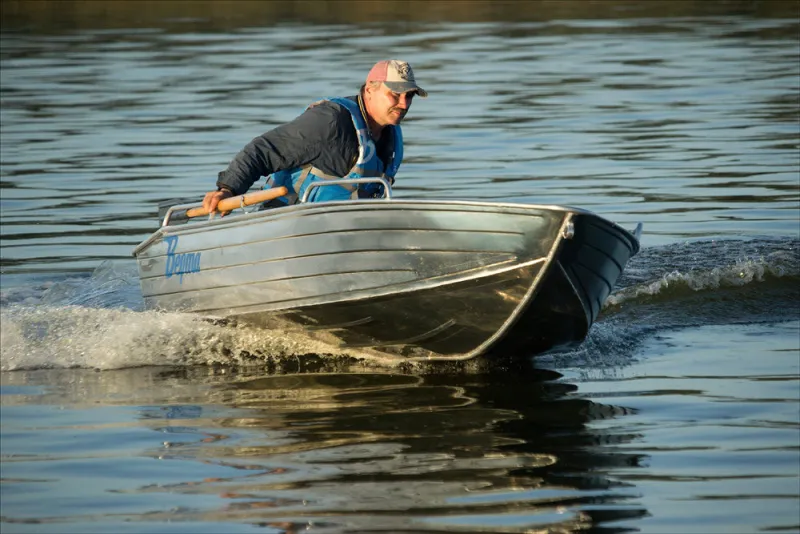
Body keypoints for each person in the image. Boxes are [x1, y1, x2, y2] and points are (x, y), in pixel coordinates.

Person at [202, 59, 427, 213]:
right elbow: (263, 150)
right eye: (395, 95)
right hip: (286, 225)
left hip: (343, 232)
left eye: (409, 96)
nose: (404, 104)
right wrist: (228, 189)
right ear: (369, 89)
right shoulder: (330, 121)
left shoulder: (392, 137)